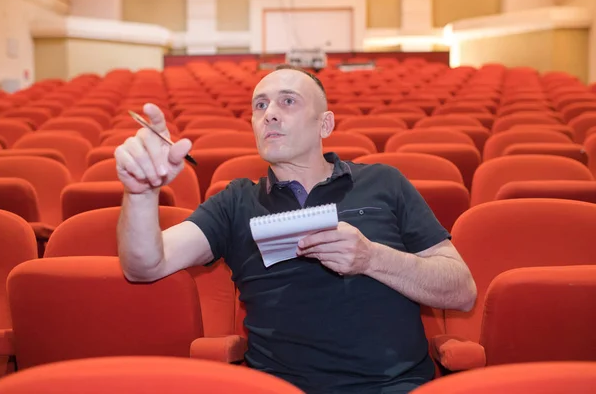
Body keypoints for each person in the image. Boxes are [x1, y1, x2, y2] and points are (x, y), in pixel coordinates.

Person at [114, 64, 477, 394]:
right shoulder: (235, 201)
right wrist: (142, 193)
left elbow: (461, 290)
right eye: (260, 106)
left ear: (325, 125)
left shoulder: (384, 182)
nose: (269, 113)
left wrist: (372, 259)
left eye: (288, 101)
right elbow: (145, 265)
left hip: (396, 387)